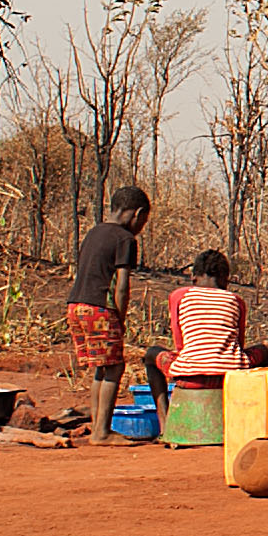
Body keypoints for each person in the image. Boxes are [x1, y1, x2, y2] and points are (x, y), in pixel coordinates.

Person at [66, 186, 151, 437]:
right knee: (114, 367)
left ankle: (97, 426)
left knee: (101, 368)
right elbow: (122, 286)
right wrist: (121, 318)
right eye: (143, 221)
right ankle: (102, 432)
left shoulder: (94, 232)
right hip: (100, 308)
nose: (141, 226)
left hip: (76, 305)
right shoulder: (125, 240)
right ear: (137, 214)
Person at [148, 248, 265, 392]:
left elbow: (180, 344)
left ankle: (164, 414)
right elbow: (239, 344)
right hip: (230, 376)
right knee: (263, 351)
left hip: (189, 377)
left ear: (194, 278)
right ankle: (248, 400)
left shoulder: (179, 296)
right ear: (225, 279)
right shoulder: (236, 300)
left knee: (151, 354)